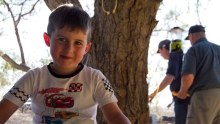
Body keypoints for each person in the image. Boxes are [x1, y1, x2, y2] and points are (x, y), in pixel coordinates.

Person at [0, 4, 131, 124]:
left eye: (78, 43)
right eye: (61, 39)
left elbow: (115, 116)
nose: (69, 49)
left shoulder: (95, 78)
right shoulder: (33, 78)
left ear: (86, 48)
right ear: (48, 39)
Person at [178, 25, 220, 124]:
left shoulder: (193, 50)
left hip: (204, 96)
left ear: (191, 36)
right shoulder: (218, 49)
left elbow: (188, 76)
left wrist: (182, 92)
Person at [149, 39, 190, 124]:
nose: (161, 55)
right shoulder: (182, 57)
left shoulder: (174, 56)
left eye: (160, 52)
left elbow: (169, 78)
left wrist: (154, 93)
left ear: (163, 49)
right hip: (189, 98)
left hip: (183, 100)